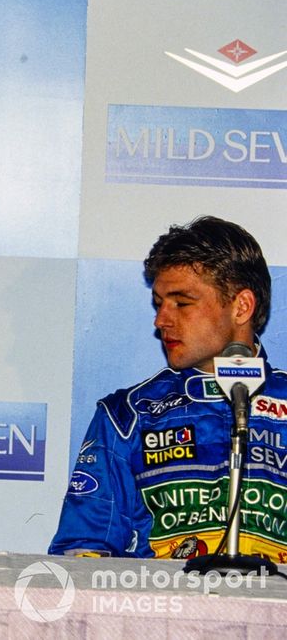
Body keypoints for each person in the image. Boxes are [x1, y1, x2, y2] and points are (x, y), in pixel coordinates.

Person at [49, 216, 287, 560]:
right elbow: (83, 550)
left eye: (182, 303)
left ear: (241, 307)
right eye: (159, 303)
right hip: (165, 610)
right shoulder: (128, 415)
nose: (161, 320)